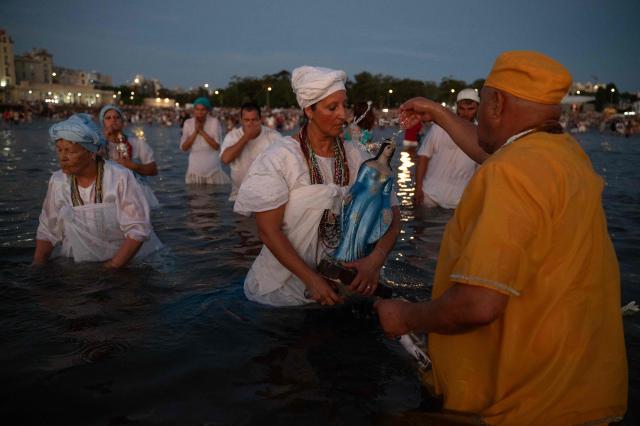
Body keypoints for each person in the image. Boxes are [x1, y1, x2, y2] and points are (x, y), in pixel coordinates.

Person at [376, 51, 627, 424]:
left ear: (496, 103)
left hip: (529, 406)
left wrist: (407, 316)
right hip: (585, 392)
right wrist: (439, 113)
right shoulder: (565, 155)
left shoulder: (510, 173)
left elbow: (478, 305)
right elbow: (489, 150)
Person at [234, 66, 401, 307]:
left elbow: (393, 215)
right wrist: (312, 280)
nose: (343, 115)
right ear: (309, 110)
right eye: (332, 108)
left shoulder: (358, 157)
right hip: (284, 293)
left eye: (345, 106)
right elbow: (269, 232)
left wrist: (375, 261)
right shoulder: (280, 158)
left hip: (345, 286)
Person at [33, 114, 162, 268]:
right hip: (78, 262)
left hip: (125, 262)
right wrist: (37, 265)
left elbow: (138, 228)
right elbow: (48, 229)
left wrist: (113, 266)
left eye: (70, 152)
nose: (63, 157)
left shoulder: (119, 176)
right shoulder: (58, 181)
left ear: (91, 152)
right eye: (60, 150)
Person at [414, 88, 479, 209]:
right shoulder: (439, 128)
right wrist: (418, 188)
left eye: (471, 109)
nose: (466, 113)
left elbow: (480, 171)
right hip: (429, 195)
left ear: (478, 109)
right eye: (462, 109)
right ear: (457, 107)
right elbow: (423, 157)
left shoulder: (481, 134)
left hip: (459, 200)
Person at [99, 104, 159, 209]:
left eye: (117, 117)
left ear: (122, 122)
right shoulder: (97, 145)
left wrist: (133, 166)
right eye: (108, 118)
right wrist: (103, 139)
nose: (113, 120)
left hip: (137, 194)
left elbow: (153, 170)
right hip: (109, 195)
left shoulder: (137, 143)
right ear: (103, 123)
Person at [219, 102, 281, 201]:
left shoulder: (273, 136)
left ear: (261, 119)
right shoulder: (232, 136)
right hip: (238, 196)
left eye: (254, 120)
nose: (250, 124)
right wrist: (246, 137)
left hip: (267, 197)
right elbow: (225, 159)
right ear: (241, 120)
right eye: (246, 120)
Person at [180, 97, 230, 184]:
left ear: (207, 111)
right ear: (194, 110)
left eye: (203, 110)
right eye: (197, 109)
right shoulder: (188, 123)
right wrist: (195, 132)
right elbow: (183, 148)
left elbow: (216, 146)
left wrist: (202, 132)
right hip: (194, 170)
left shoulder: (214, 122)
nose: (200, 112)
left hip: (213, 170)